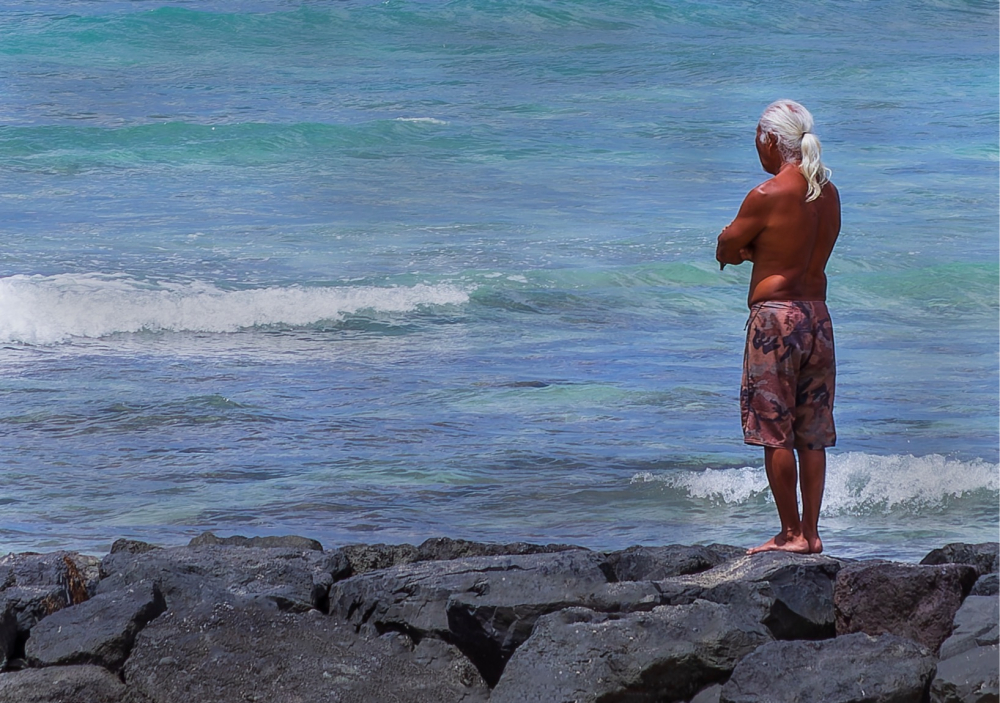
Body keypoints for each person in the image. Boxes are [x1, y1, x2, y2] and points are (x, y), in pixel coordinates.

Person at [716, 100, 841, 555]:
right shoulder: (827, 193)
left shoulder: (766, 194)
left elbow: (727, 246)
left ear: (771, 140)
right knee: (812, 431)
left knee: (775, 430)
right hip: (817, 317)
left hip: (776, 320)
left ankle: (789, 533)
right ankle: (811, 533)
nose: (756, 146)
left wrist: (746, 252)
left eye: (757, 137)